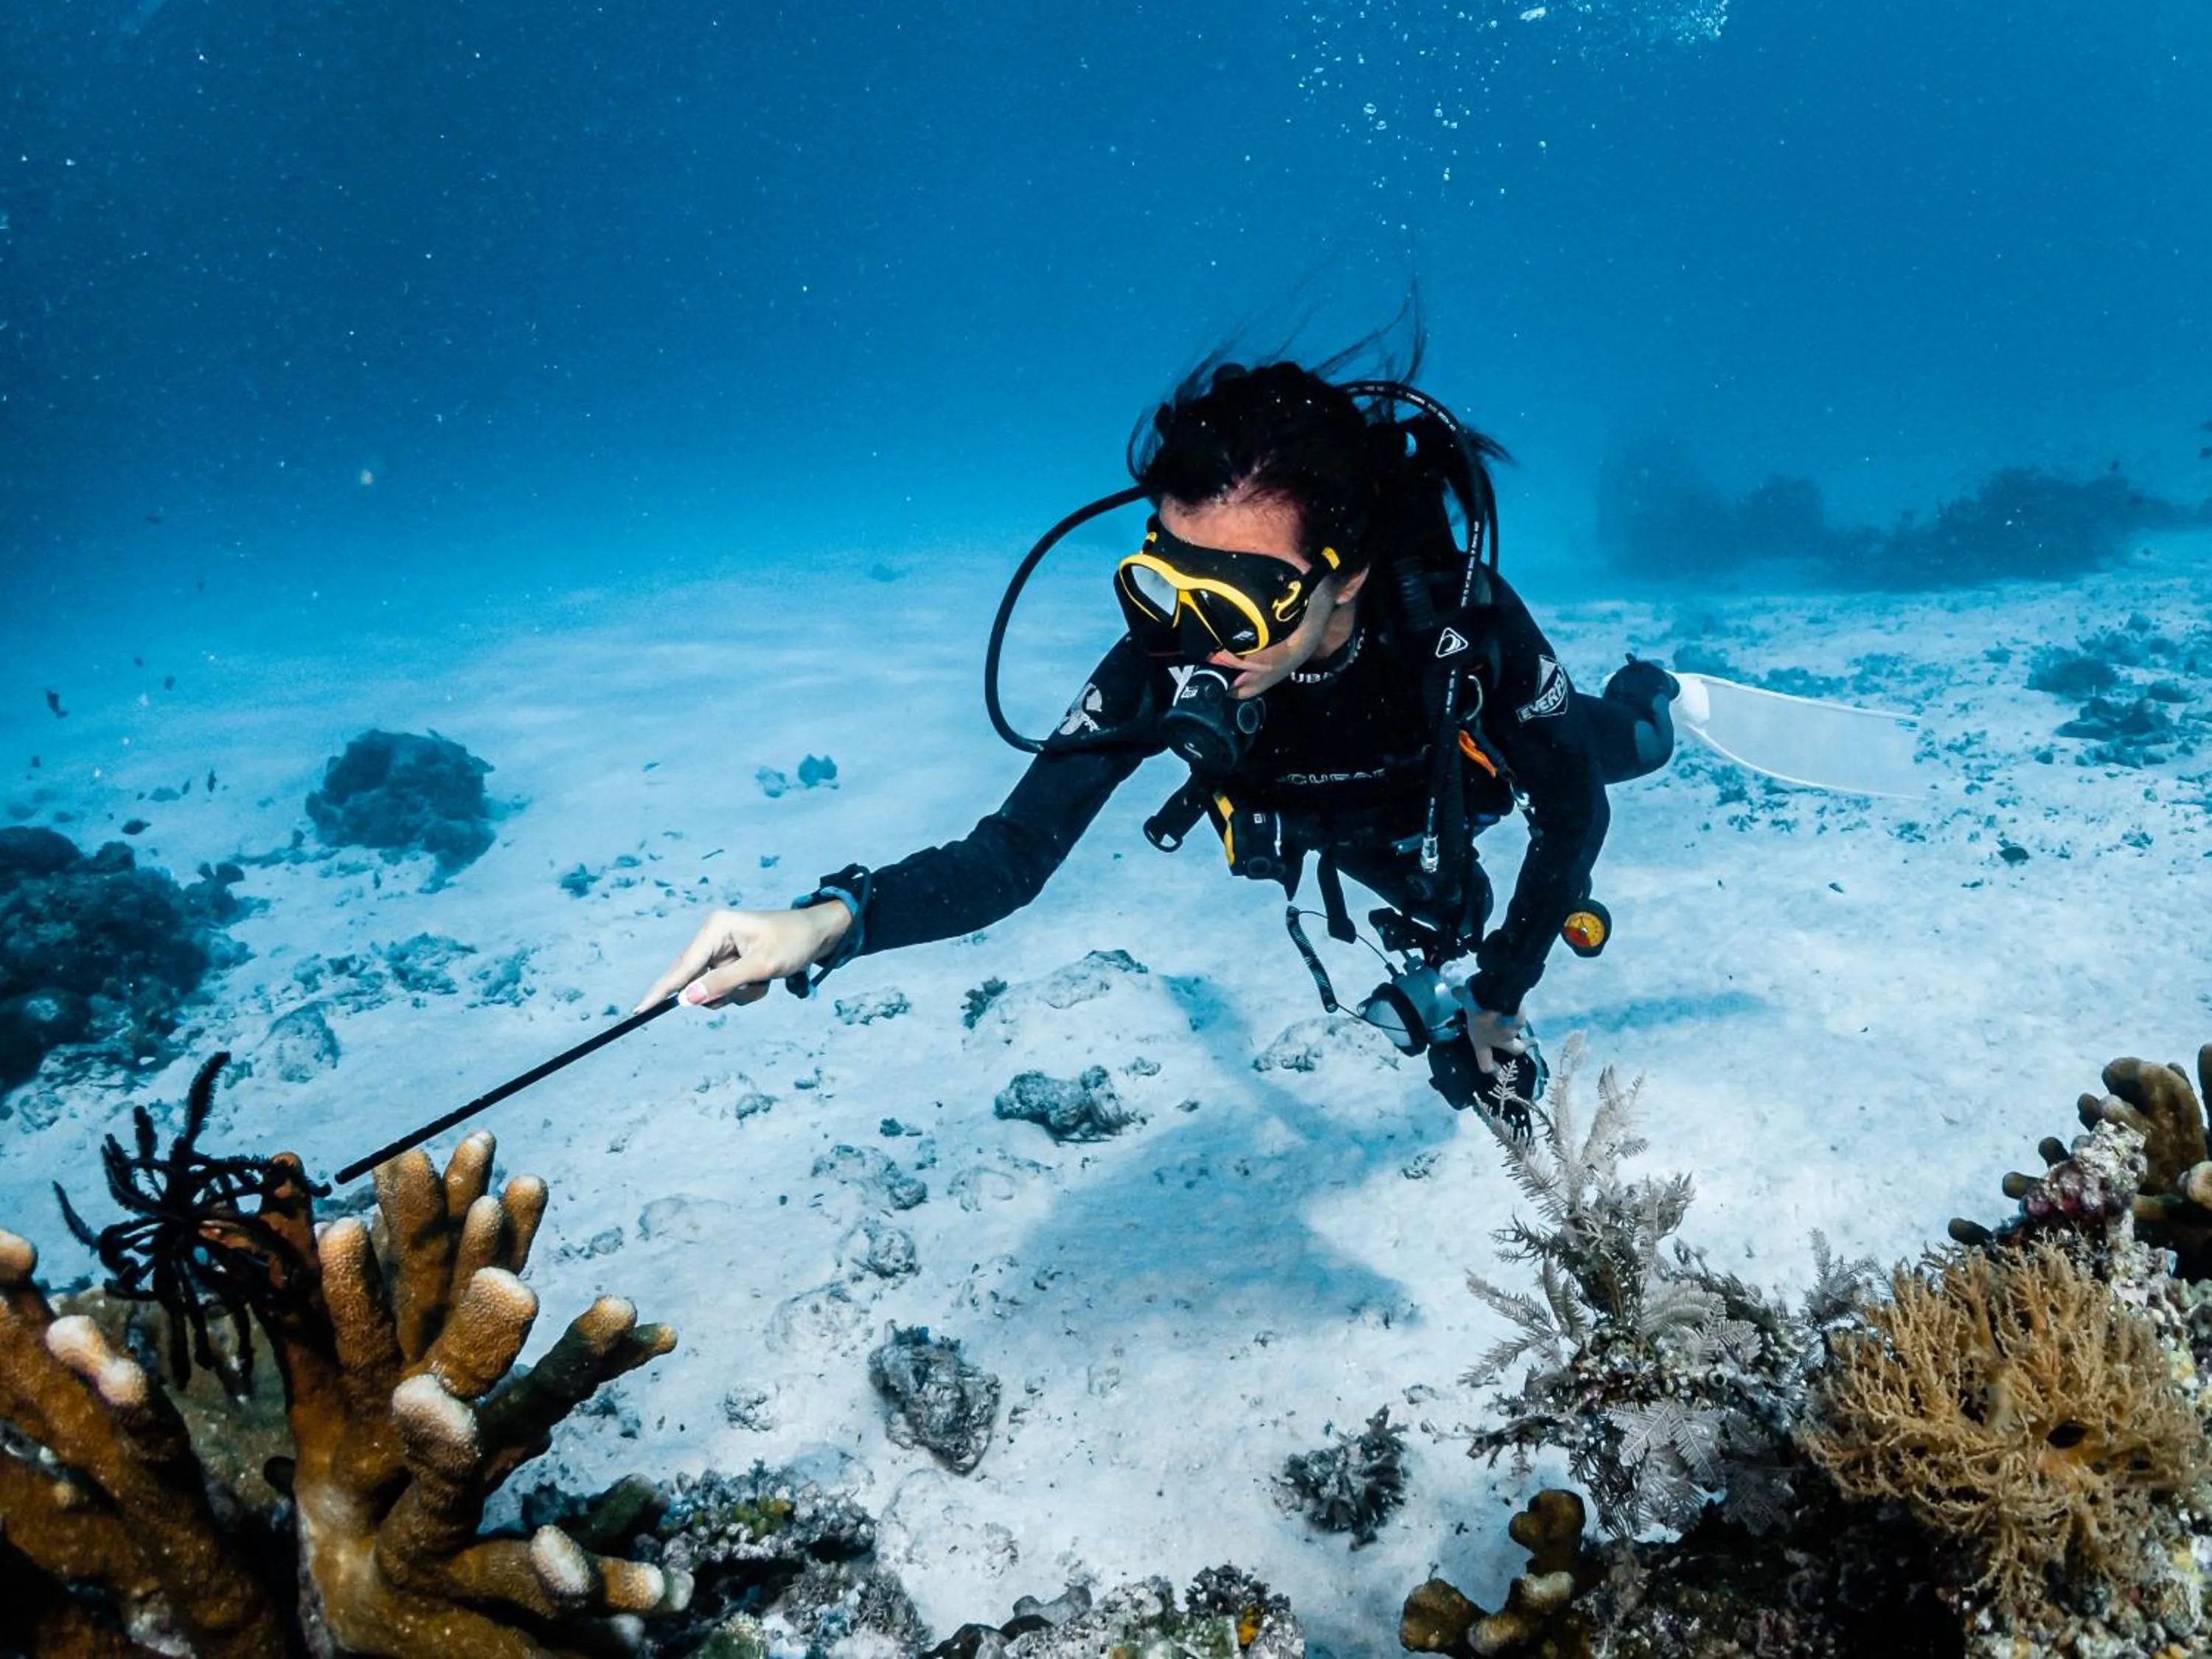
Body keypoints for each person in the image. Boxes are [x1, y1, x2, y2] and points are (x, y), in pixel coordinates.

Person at [638, 357, 1676, 1124]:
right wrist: (831, 921)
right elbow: (1007, 858)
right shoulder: (1166, 655)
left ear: (1346, 572)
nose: (1194, 642)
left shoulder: (1456, 630)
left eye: (1243, 599)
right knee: (1438, 898)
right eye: (1168, 583)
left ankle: (1656, 690)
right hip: (1332, 820)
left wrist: (1498, 1000)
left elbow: (1576, 809)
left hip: (1461, 760)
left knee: (1620, 745)